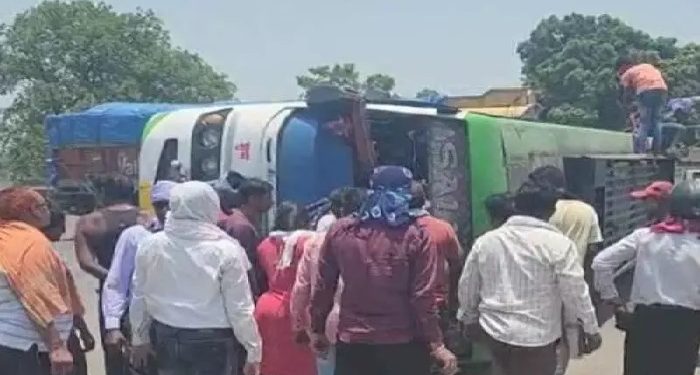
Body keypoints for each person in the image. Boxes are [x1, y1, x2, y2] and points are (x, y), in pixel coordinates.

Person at [310, 166, 458, 375]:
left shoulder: (342, 230)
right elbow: (422, 296)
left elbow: (324, 285)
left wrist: (317, 328)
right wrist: (436, 343)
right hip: (404, 343)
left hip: (353, 342)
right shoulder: (416, 235)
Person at [458, 178, 602, 375]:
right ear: (551, 211)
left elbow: (468, 285)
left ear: (516, 206)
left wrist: (468, 318)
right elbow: (575, 292)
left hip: (495, 332)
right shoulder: (559, 244)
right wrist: (590, 328)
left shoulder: (486, 241)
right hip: (536, 338)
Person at [129, 181, 262, 375]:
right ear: (210, 207)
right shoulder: (226, 250)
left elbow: (140, 295)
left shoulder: (150, 245)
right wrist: (253, 350)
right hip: (214, 344)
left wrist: (139, 339)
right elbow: (239, 309)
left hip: (167, 337)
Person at [592, 180, 700, 375]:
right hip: (686, 325)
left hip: (645, 321)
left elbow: (601, 263)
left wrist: (612, 299)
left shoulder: (644, 236)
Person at [0, 187, 85, 375]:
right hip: (28, 349)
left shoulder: (8, 238)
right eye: (44, 205)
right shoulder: (27, 243)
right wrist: (56, 345)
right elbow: (33, 292)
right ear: (31, 211)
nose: (48, 210)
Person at [101, 180, 177, 371]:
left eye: (171, 204)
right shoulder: (136, 236)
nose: (165, 210)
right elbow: (117, 282)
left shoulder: (192, 237)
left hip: (180, 328)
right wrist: (113, 326)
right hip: (141, 324)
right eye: (160, 205)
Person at [290, 187, 366, 375]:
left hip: (324, 326)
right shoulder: (373, 240)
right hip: (365, 327)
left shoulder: (314, 242)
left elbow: (302, 288)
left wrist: (298, 324)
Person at [74, 175, 142, 375]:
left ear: (104, 193)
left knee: (113, 351)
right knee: (145, 348)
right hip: (144, 291)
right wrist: (132, 280)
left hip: (108, 293)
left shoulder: (89, 221)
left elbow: (85, 262)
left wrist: (114, 279)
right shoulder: (146, 218)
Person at [408, 181, 467, 367]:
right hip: (436, 305)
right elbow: (457, 263)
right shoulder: (442, 228)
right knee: (441, 362)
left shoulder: (392, 231)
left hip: (401, 310)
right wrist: (454, 301)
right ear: (425, 200)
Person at [254, 202, 315, 375]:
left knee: (272, 364)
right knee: (301, 365)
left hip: (267, 307)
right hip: (299, 309)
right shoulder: (309, 243)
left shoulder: (265, 244)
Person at [41, 204, 95, 375]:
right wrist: (84, 331)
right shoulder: (51, 260)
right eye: (60, 226)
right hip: (59, 334)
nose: (64, 231)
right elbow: (69, 300)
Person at [219, 178, 274, 297]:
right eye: (268, 197)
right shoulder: (243, 228)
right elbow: (246, 267)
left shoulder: (236, 218)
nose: (272, 202)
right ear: (253, 199)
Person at [616, 56, 669, 153]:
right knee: (657, 121)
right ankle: (657, 150)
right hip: (662, 89)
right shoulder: (647, 66)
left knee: (644, 122)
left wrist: (626, 105)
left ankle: (641, 150)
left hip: (646, 91)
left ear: (623, 66)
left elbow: (625, 93)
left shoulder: (627, 73)